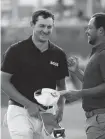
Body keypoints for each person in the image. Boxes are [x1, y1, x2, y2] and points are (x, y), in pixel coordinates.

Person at [1, 9, 69, 139]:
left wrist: (60, 109)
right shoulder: (15, 51)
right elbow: (3, 82)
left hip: (47, 112)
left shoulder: (59, 54)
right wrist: (29, 104)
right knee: (24, 134)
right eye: (41, 26)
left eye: (49, 26)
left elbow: (61, 86)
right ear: (32, 25)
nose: (45, 30)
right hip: (19, 110)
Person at [60, 13, 105, 139]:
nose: (86, 31)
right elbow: (93, 83)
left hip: (102, 121)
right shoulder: (98, 53)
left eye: (89, 28)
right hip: (99, 120)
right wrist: (76, 71)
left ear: (100, 31)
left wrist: (79, 93)